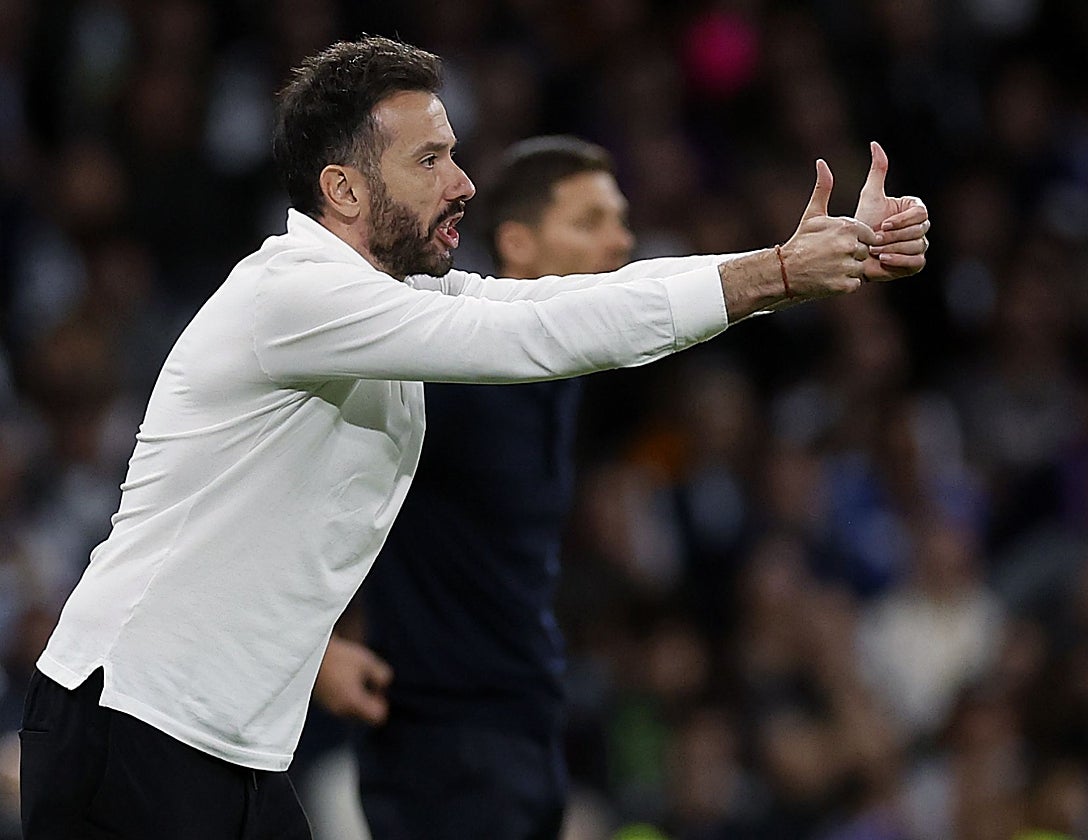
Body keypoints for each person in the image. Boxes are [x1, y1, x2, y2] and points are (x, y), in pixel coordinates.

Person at [19, 35, 929, 840]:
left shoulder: (392, 301)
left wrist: (777, 269)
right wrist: (770, 274)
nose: (465, 183)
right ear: (343, 188)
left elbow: (559, 302)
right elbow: (525, 338)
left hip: (231, 748)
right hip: (129, 724)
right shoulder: (291, 293)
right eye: (431, 160)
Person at [309, 134, 638, 840]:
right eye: (591, 222)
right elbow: (298, 478)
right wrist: (313, 650)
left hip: (525, 724)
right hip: (441, 746)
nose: (620, 243)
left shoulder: (564, 373)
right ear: (517, 245)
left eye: (620, 220)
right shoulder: (447, 365)